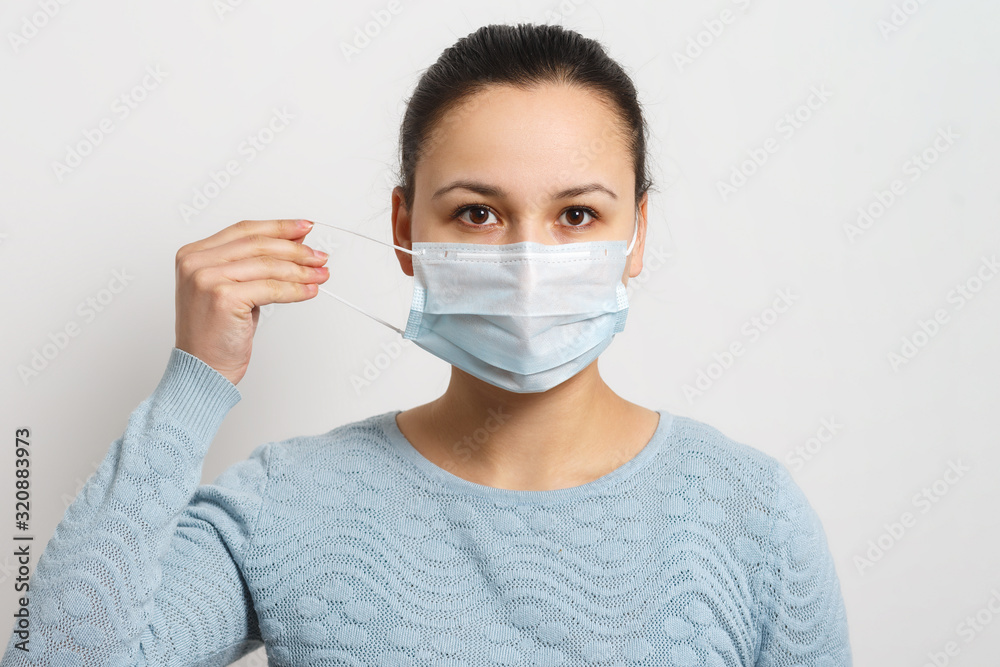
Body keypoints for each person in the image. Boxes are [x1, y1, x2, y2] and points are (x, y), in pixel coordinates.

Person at [1, 23, 852, 667]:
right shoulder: (288, 502)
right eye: (477, 213)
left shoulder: (752, 514)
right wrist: (197, 380)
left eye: (577, 215)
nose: (527, 260)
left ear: (636, 234)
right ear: (407, 229)